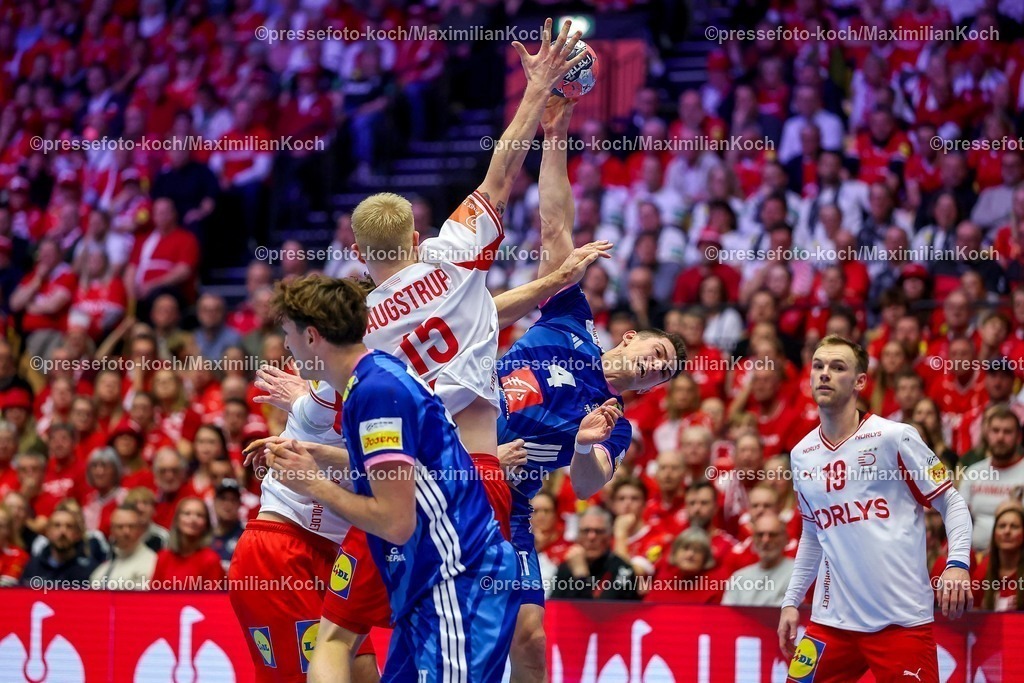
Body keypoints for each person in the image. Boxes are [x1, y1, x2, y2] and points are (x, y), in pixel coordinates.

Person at [258, 273, 520, 682]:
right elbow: (403, 473)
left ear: (311, 337)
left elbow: (395, 523)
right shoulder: (373, 377)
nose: (287, 347)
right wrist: (315, 454)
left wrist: (311, 483)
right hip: (427, 580)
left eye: (289, 335)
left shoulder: (376, 392)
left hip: (458, 575)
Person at [778, 335, 973, 683]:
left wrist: (957, 564)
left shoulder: (895, 437)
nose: (825, 373)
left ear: (859, 382)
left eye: (838, 367)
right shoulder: (801, 454)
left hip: (901, 622)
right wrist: (791, 600)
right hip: (831, 624)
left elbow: (952, 502)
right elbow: (812, 533)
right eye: (818, 366)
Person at [550, 506, 640, 601]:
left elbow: (601, 608)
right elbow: (554, 606)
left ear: (609, 536)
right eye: (586, 531)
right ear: (578, 536)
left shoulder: (622, 569)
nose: (591, 537)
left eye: (599, 531)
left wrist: (581, 577)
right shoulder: (568, 566)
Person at [151, 496, 227, 589]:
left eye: (199, 515)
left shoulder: (211, 560)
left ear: (206, 524)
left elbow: (213, 597)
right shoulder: (163, 557)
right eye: (187, 513)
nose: (193, 519)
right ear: (177, 520)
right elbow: (153, 594)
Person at [721, 512, 793, 606]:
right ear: (753, 539)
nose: (765, 540)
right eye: (760, 535)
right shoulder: (738, 578)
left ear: (785, 538)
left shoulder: (798, 575)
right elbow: (727, 613)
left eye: (772, 535)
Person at [20, 505, 99, 586]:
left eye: (69, 526)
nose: (63, 531)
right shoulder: (33, 567)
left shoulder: (89, 570)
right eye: (57, 525)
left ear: (77, 534)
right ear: (47, 532)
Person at [90, 502, 157, 589]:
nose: (126, 532)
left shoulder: (151, 562)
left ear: (140, 529)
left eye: (131, 526)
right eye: (120, 527)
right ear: (112, 530)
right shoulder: (102, 570)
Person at [975, 500, 1024, 612]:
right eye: (1002, 526)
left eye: (1014, 526)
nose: (1007, 531)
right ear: (994, 533)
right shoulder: (984, 569)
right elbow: (972, 612)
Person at [210, 478, 244, 572]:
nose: (228, 505)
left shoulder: (245, 537)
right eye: (223, 498)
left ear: (240, 504)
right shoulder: (203, 536)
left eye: (233, 500)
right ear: (214, 502)